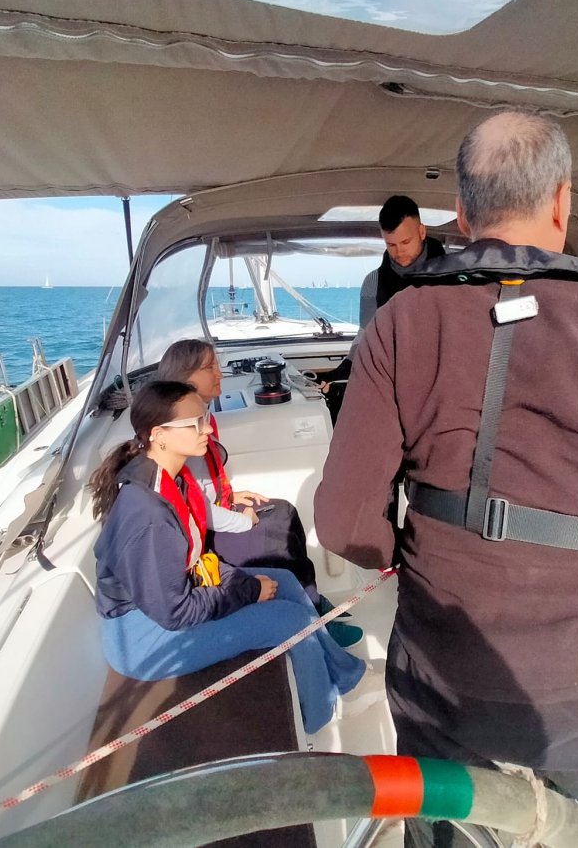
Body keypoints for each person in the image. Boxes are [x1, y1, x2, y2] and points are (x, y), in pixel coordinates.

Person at [314, 111, 578, 843]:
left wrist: (417, 560)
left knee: (442, 826)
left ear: (462, 215)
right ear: (562, 202)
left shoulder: (401, 325)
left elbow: (344, 519)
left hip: (443, 667)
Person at [88, 379, 368, 734]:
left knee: (284, 581)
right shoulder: (147, 515)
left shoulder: (171, 479)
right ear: (159, 435)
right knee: (289, 621)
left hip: (172, 602)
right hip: (144, 638)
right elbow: (175, 613)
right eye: (195, 424)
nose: (207, 429)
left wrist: (245, 582)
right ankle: (320, 715)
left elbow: (192, 561)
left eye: (204, 418)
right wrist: (247, 591)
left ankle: (345, 679)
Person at [154, 339, 363, 646]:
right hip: (204, 541)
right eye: (209, 368)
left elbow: (200, 489)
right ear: (186, 378)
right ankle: (313, 615)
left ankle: (313, 601)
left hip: (211, 516)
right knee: (274, 536)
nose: (219, 373)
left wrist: (230, 495)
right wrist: (242, 521)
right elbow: (191, 506)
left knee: (284, 512)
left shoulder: (200, 421)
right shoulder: (181, 431)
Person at [316, 195, 447, 400]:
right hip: (394, 383)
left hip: (443, 382)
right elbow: (365, 334)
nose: (399, 251)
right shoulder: (373, 282)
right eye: (391, 244)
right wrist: (345, 369)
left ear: (422, 232)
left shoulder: (454, 277)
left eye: (406, 241)